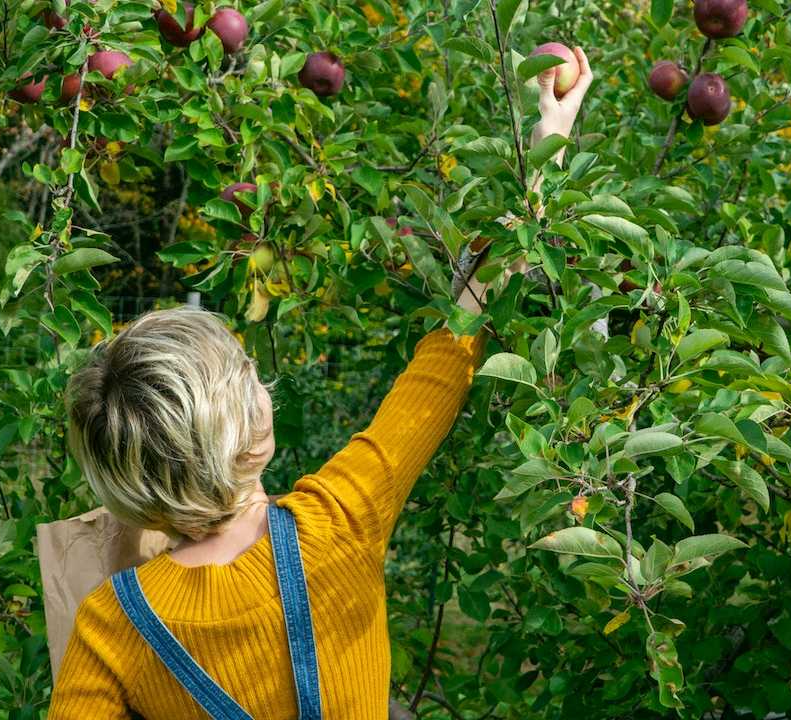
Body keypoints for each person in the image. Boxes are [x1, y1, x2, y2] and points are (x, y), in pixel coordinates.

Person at [48, 47, 593, 719]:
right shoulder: (339, 520)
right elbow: (442, 366)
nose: (262, 382)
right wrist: (542, 155)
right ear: (251, 432)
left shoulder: (112, 625)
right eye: (249, 377)